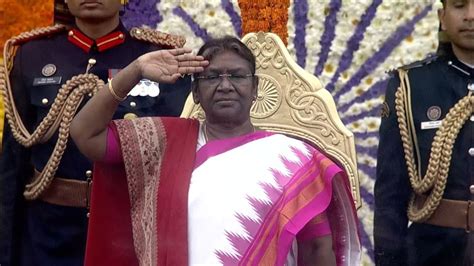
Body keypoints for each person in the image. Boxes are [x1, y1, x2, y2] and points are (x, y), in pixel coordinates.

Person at [70, 36, 361, 265]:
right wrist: (132, 72)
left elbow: (316, 245)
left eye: (236, 76)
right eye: (212, 77)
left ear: (255, 87)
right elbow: (86, 133)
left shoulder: (294, 159)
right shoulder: (162, 140)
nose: (225, 85)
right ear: (195, 92)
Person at [0, 0, 192, 265]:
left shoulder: (157, 55)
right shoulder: (31, 56)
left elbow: (175, 155)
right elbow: (13, 163)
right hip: (48, 236)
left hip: (128, 230)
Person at [374, 0, 474, 265]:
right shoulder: (411, 87)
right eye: (460, 5)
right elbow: (390, 196)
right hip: (431, 253)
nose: (471, 16)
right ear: (442, 16)